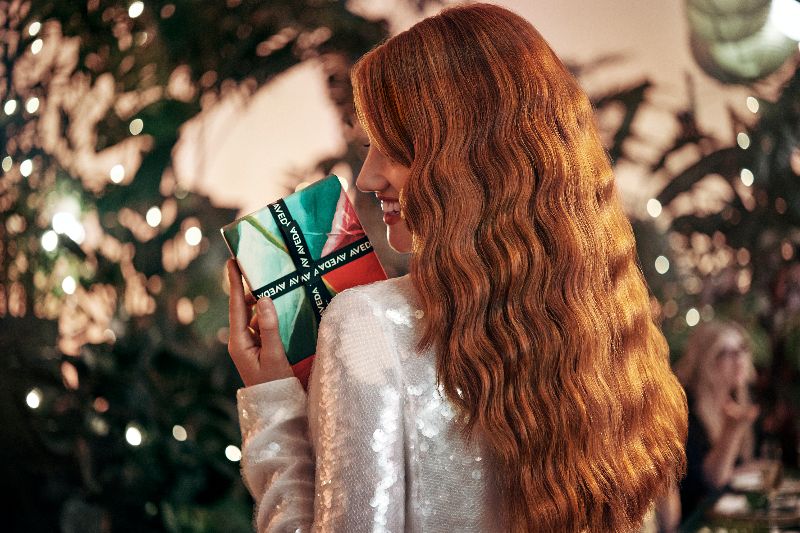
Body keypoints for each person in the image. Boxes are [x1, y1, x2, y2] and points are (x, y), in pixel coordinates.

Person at [226, 4, 688, 532]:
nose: (369, 177)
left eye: (395, 148)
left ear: (468, 161)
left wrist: (274, 408)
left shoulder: (368, 324)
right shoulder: (605, 321)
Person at [670, 320, 759, 523]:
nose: (739, 359)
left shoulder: (739, 399)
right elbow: (713, 481)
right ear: (705, 360)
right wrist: (732, 430)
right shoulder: (686, 410)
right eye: (726, 352)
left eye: (742, 349)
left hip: (732, 515)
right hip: (698, 520)